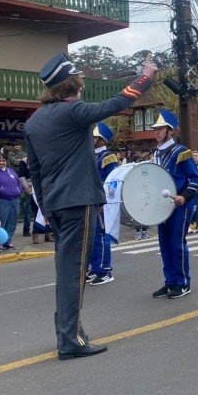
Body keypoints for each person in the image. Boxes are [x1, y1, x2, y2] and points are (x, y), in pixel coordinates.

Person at [25, 51, 157, 360]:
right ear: (72, 84)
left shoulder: (34, 122)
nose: (83, 87)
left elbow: (34, 170)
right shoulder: (72, 112)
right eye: (80, 82)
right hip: (78, 200)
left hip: (55, 204)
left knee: (67, 270)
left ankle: (69, 332)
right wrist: (145, 76)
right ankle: (69, 339)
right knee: (75, 272)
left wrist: (46, 207)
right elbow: (116, 104)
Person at [149, 110, 198, 300]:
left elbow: (195, 178)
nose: (156, 132)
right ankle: (170, 282)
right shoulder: (156, 154)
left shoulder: (181, 152)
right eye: (155, 129)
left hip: (180, 205)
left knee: (177, 244)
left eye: (160, 129)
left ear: (170, 131)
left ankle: (183, 283)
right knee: (164, 244)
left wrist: (184, 197)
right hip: (162, 207)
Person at [85, 122, 119, 286]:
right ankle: (95, 268)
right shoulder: (90, 154)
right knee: (93, 236)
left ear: (102, 140)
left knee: (102, 235)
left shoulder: (108, 157)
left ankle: (105, 270)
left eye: (95, 136)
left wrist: (104, 201)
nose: (92, 138)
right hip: (90, 200)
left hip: (102, 203)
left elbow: (113, 181)